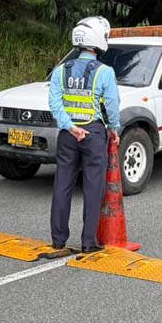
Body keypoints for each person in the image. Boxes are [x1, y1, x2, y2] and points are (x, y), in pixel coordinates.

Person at [48, 16, 121, 254]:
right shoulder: (105, 72)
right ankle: (88, 242)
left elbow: (55, 104)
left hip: (67, 136)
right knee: (93, 188)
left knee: (62, 185)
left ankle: (58, 240)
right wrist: (114, 128)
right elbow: (112, 104)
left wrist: (70, 126)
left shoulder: (61, 70)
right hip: (93, 134)